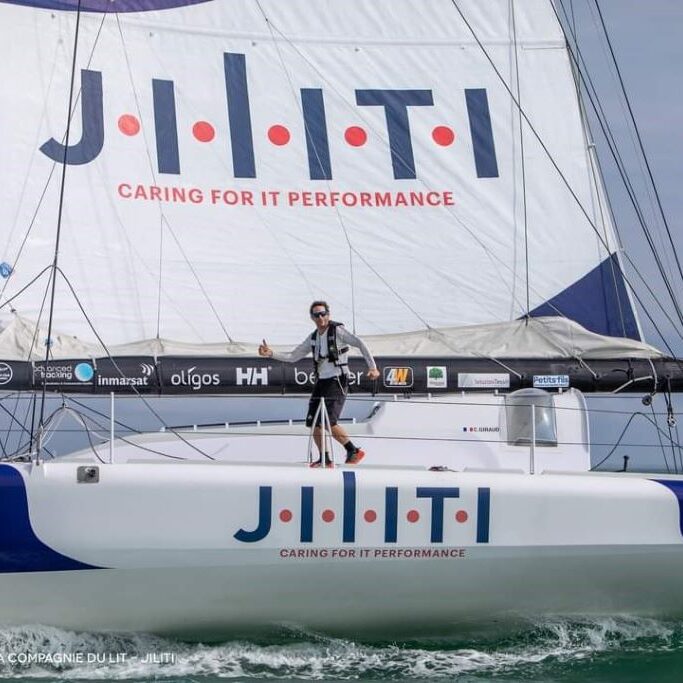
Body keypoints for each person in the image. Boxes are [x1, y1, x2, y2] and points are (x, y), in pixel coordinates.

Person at [259, 301, 380, 467]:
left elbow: (359, 343)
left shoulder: (338, 331)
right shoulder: (313, 337)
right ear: (312, 318)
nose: (321, 317)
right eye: (317, 315)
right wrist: (271, 354)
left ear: (328, 314)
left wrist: (373, 367)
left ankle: (353, 450)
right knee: (313, 421)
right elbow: (294, 357)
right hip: (321, 381)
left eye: (323, 313)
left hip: (337, 379)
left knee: (327, 422)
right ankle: (325, 459)